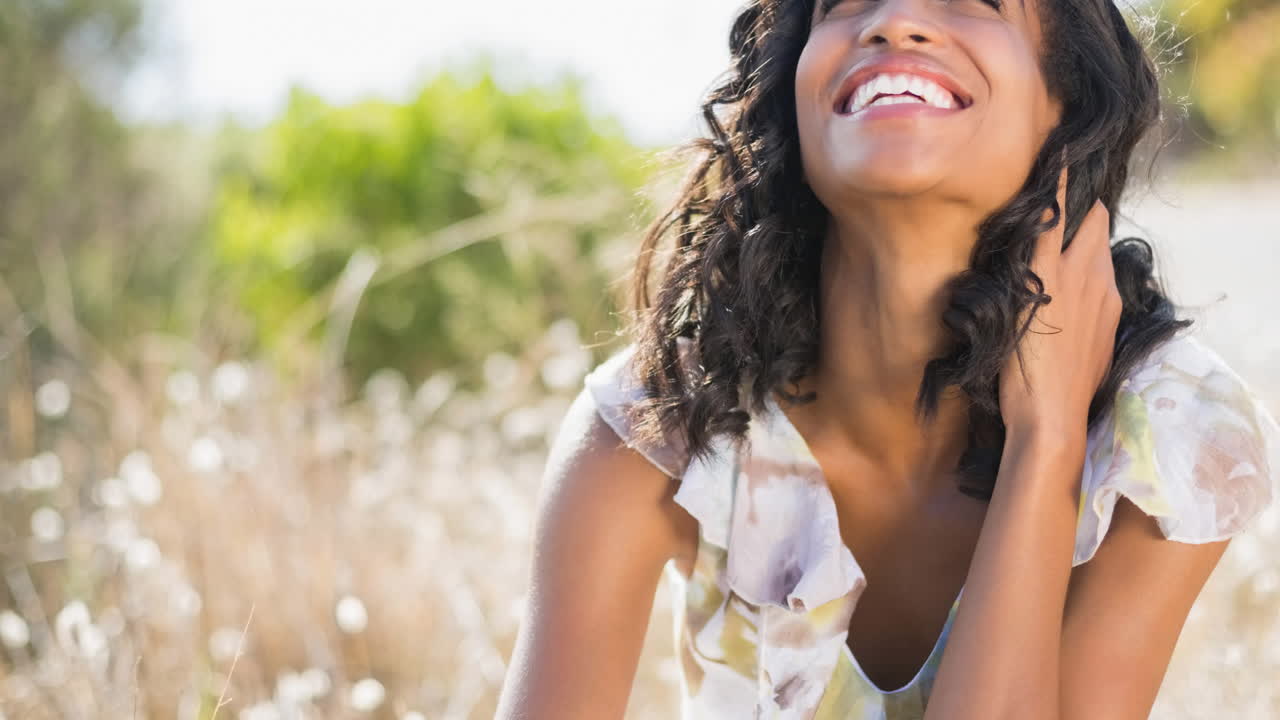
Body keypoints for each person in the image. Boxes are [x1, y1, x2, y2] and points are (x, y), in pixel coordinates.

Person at [495, 0, 1280, 717]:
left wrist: (1049, 444)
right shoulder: (658, 423)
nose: (895, 20)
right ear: (792, 99)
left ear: (1064, 102)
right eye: (845, 3)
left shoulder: (1170, 432)